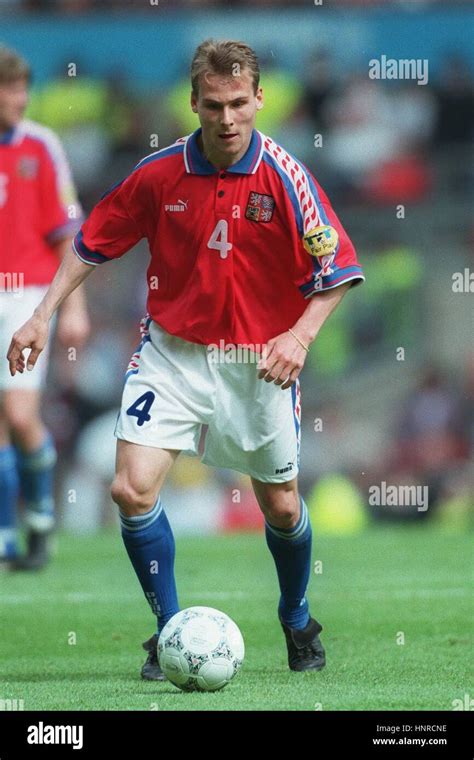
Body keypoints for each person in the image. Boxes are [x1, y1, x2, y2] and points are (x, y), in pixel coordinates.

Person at [8, 39, 364, 675]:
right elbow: (92, 241)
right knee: (129, 489)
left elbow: (336, 269)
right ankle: (169, 629)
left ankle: (296, 617)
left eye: (238, 104)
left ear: (258, 99)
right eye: (213, 105)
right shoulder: (157, 174)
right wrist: (41, 313)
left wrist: (300, 336)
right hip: (171, 355)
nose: (227, 119)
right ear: (192, 102)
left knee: (281, 505)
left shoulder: (285, 176)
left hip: (258, 362)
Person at [0, 46, 90, 570]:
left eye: (23, 88)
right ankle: (10, 534)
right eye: (10, 89)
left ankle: (39, 514)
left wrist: (73, 307)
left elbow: (66, 236)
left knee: (18, 413)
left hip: (26, 297)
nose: (21, 99)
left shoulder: (41, 146)